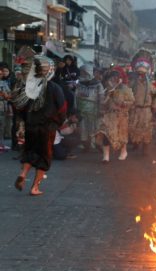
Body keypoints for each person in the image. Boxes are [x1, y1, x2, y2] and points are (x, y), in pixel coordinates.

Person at [13, 55, 66, 196]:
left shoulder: (29, 87)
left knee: (30, 152)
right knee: (44, 157)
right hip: (47, 127)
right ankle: (35, 187)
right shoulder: (55, 88)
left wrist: (24, 121)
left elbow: (20, 106)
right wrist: (58, 123)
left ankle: (23, 174)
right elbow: (62, 108)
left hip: (31, 125)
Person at [94, 67, 135, 162]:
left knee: (122, 135)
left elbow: (132, 101)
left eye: (115, 77)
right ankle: (106, 156)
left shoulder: (125, 89)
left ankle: (123, 151)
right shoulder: (107, 89)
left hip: (122, 116)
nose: (113, 79)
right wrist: (108, 96)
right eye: (111, 77)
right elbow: (102, 102)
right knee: (106, 134)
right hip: (109, 116)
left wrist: (123, 103)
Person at [128, 49, 156, 154]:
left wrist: (155, 107)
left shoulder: (151, 85)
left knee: (146, 129)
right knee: (133, 127)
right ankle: (136, 143)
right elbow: (128, 95)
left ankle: (145, 147)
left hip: (146, 110)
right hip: (135, 109)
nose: (141, 76)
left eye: (143, 74)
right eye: (139, 74)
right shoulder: (132, 83)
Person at [75, 63, 104, 151]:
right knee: (83, 128)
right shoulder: (79, 84)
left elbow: (101, 97)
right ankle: (86, 145)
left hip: (93, 109)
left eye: (84, 73)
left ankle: (97, 145)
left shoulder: (98, 84)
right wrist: (75, 109)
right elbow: (76, 96)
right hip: (82, 109)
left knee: (95, 128)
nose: (82, 74)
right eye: (81, 73)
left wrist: (101, 109)